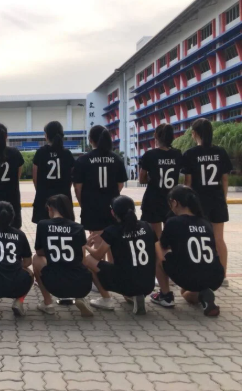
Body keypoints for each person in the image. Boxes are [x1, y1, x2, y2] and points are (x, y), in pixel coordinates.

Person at [150, 185, 224, 316]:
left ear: (175, 203)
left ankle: (165, 295)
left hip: (189, 275)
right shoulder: (205, 222)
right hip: (215, 276)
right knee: (185, 294)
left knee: (157, 247)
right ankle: (204, 295)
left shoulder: (173, 222)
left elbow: (163, 247)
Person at [83, 195, 159, 315]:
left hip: (126, 283)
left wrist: (86, 246)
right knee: (129, 269)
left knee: (88, 260)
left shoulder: (112, 230)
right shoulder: (147, 226)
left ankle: (106, 299)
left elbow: (97, 256)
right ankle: (135, 295)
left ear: (113, 213)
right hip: (148, 283)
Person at [182, 118, 233, 287]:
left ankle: (198, 273)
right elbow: (224, 180)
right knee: (218, 239)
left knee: (197, 237)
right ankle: (222, 276)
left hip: (198, 202)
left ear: (194, 133)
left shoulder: (190, 154)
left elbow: (188, 183)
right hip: (217, 200)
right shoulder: (220, 152)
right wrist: (222, 199)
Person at [73, 125, 127, 262]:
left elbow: (77, 188)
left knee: (97, 247)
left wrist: (84, 204)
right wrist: (110, 196)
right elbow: (120, 184)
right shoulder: (116, 159)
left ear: (90, 140)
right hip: (112, 208)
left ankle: (99, 274)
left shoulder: (83, 160)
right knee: (112, 244)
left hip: (92, 207)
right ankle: (113, 272)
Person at [33, 195, 93, 317]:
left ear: (50, 209)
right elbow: (82, 259)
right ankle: (80, 297)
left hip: (54, 283)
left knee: (36, 259)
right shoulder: (78, 227)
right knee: (87, 261)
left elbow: (39, 252)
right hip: (80, 283)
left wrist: (52, 252)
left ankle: (48, 303)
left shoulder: (43, 225)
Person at [139, 123, 182, 239]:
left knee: (156, 237)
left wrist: (152, 180)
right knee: (171, 236)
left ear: (155, 136)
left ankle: (160, 251)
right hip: (172, 199)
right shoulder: (177, 154)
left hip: (153, 199)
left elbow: (141, 179)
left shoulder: (149, 155)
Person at [32, 121, 75, 224]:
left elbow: (35, 178)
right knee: (65, 227)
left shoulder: (40, 153)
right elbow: (72, 177)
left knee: (44, 227)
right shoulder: (67, 154)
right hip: (63, 198)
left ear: (46, 135)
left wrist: (41, 191)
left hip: (44, 198)